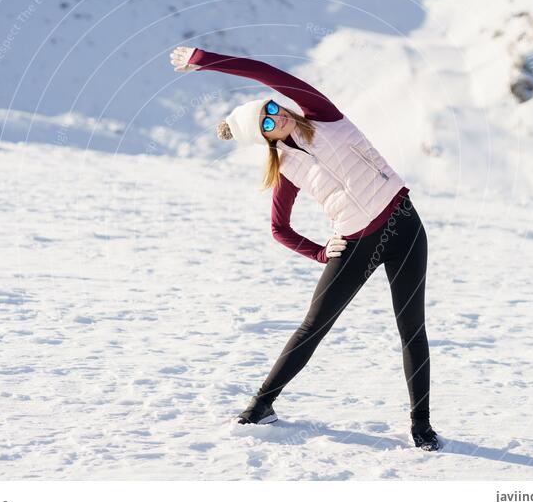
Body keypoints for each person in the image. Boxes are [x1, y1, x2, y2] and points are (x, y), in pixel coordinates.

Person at [169, 46, 439, 451]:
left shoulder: (321, 114)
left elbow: (262, 67)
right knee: (314, 326)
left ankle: (421, 425)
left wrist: (203, 59)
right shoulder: (287, 171)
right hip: (355, 242)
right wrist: (319, 251)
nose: (277, 115)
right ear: (264, 138)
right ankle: (261, 405)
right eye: (268, 122)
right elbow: (280, 229)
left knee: (411, 329)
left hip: (404, 225)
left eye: (273, 108)